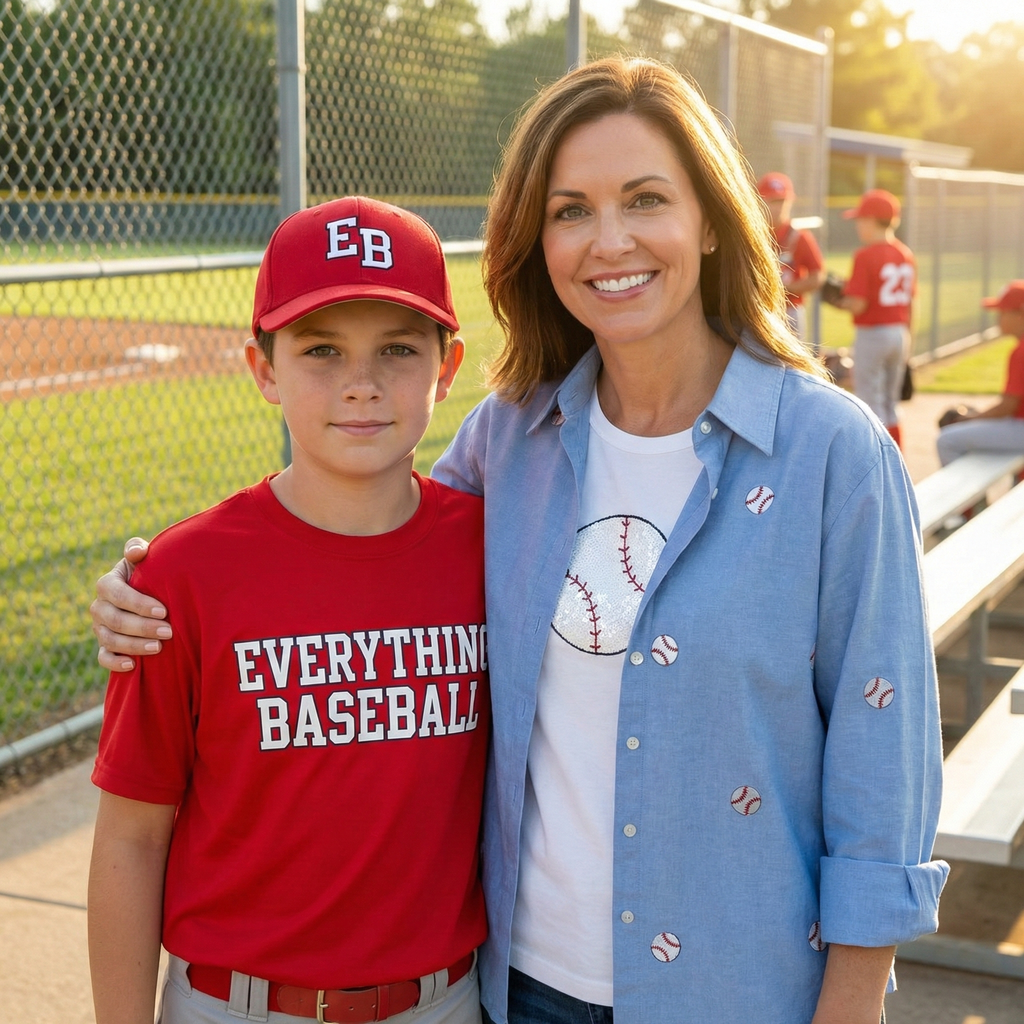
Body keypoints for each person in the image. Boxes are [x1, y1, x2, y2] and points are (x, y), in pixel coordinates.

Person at [91, 58, 948, 1024]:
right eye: (571, 209)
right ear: (537, 242)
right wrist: (146, 587)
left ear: (710, 219)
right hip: (516, 992)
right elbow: (357, 535)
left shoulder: (833, 456)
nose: (608, 239)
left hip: (733, 992)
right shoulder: (513, 440)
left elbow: (884, 791)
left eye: (646, 199)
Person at [87, 196, 488, 1024]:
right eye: (321, 350)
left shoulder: (496, 550)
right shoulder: (183, 576)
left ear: (446, 371)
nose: (362, 384)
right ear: (263, 369)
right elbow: (131, 838)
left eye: (399, 349)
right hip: (238, 1005)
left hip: (443, 1002)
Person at [836, 188, 916, 449]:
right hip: (899, 333)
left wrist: (837, 299)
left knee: (870, 403)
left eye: (861, 220)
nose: (858, 225)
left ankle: (880, 465)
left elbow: (858, 304)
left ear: (872, 221)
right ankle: (899, 458)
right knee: (891, 404)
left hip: (873, 334)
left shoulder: (865, 254)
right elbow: (910, 303)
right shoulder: (905, 253)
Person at [936, 280, 1024, 466]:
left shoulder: (1020, 351)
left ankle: (969, 495)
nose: (997, 319)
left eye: (1003, 312)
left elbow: (1007, 408)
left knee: (947, 440)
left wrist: (970, 419)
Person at [756, 171, 825, 346]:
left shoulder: (799, 237)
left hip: (790, 311)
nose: (778, 208)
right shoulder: (752, 235)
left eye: (783, 201)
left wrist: (785, 289)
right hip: (758, 310)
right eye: (773, 201)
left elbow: (818, 276)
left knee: (793, 366)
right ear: (759, 201)